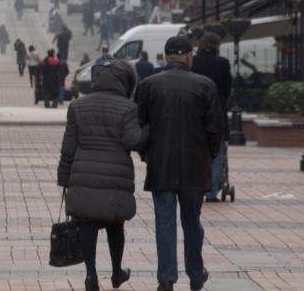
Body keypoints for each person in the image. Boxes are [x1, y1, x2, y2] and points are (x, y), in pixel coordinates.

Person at [137, 35, 224, 291]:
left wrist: (147, 155)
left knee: (164, 222)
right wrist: (207, 157)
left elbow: (140, 126)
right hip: (195, 166)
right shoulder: (205, 85)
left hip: (160, 165)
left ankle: (166, 278)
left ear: (166, 57)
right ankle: (195, 273)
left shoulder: (148, 85)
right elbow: (215, 130)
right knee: (191, 220)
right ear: (188, 56)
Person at [57, 58, 147, 291]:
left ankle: (91, 275)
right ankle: (117, 272)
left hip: (83, 172)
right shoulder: (128, 108)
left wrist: (64, 177)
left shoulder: (78, 106)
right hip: (115, 175)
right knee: (115, 225)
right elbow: (133, 140)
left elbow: (69, 145)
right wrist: (148, 129)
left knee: (86, 224)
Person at [190, 33, 232, 203]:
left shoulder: (193, 62)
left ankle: (196, 187)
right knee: (217, 154)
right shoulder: (222, 63)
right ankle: (211, 192)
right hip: (217, 114)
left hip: (196, 115)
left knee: (197, 154)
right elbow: (227, 89)